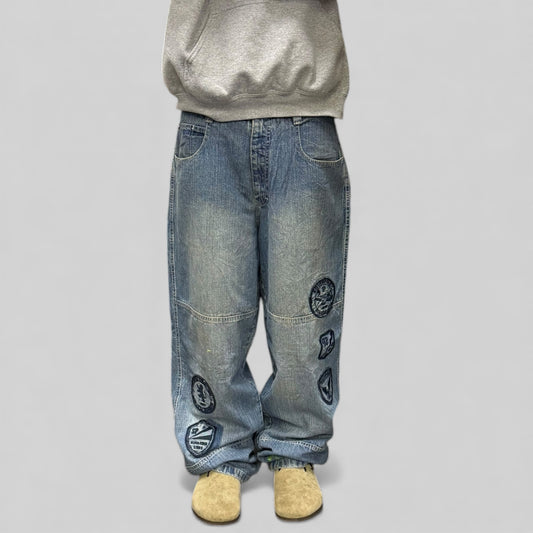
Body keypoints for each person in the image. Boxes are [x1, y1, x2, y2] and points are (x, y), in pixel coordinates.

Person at [161, 0, 351, 523]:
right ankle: (219, 448)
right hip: (208, 113)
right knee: (210, 310)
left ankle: (296, 444)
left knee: (304, 315)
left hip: (305, 111)